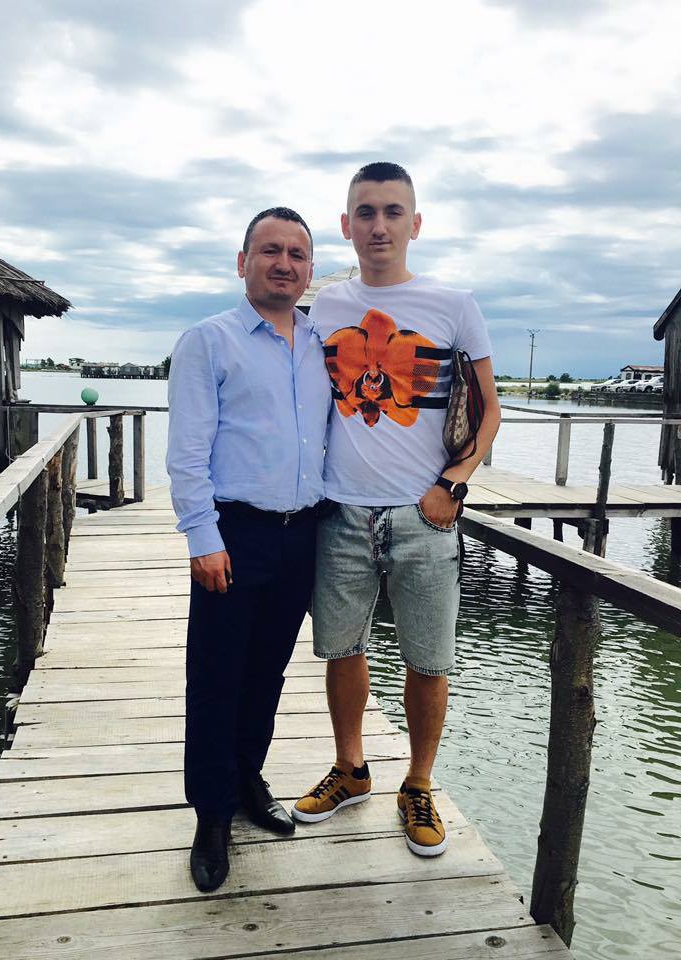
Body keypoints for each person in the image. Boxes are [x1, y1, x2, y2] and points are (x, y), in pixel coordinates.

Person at [292, 163, 501, 857]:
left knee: (428, 658)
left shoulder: (454, 306)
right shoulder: (323, 309)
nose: (378, 225)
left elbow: (489, 410)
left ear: (416, 223)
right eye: (365, 212)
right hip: (340, 512)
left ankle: (418, 783)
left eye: (392, 211)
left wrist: (454, 484)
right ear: (345, 225)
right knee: (342, 648)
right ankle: (351, 769)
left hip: (424, 513)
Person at [166, 207, 331, 893]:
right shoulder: (209, 341)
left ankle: (246, 781)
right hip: (234, 534)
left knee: (267, 672)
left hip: (304, 534)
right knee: (216, 677)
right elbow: (187, 452)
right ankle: (211, 813)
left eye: (297, 253)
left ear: (309, 269)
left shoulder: (322, 343)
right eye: (270, 251)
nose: (284, 264)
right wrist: (202, 537)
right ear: (243, 262)